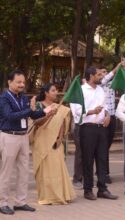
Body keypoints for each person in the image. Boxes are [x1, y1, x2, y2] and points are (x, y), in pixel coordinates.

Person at [0, 70, 55, 215]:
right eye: (18, 82)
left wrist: (45, 112)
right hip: (9, 136)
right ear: (9, 82)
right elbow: (10, 116)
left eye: (23, 82)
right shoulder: (4, 98)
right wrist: (28, 109)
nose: (21, 85)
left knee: (24, 171)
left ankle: (20, 201)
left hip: (23, 137)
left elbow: (31, 114)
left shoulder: (23, 97)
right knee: (6, 172)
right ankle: (3, 203)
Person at [72, 66, 118, 200]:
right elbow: (76, 111)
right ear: (91, 76)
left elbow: (106, 107)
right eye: (98, 75)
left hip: (101, 128)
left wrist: (108, 114)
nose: (101, 77)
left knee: (102, 158)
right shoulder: (80, 90)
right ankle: (88, 190)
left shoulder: (100, 90)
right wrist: (92, 111)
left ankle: (102, 189)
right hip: (87, 128)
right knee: (88, 159)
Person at [31, 84, 76, 205]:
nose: (56, 92)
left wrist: (60, 137)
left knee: (57, 169)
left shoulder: (59, 107)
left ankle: (60, 195)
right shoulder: (39, 106)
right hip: (42, 142)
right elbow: (36, 123)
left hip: (56, 142)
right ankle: (47, 197)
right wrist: (48, 115)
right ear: (46, 93)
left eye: (57, 90)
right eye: (53, 90)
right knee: (45, 171)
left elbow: (60, 121)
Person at [99, 60, 125, 183]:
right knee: (103, 146)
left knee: (107, 146)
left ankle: (103, 171)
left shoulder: (111, 84)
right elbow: (109, 76)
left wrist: (122, 69)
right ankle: (104, 174)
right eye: (102, 72)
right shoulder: (99, 84)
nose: (105, 75)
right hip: (102, 118)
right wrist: (117, 67)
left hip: (112, 117)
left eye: (106, 72)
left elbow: (119, 78)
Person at [69, 78, 86, 189]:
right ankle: (77, 178)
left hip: (90, 126)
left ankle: (87, 177)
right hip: (79, 125)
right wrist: (89, 112)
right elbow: (77, 113)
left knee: (89, 153)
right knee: (80, 152)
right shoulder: (75, 96)